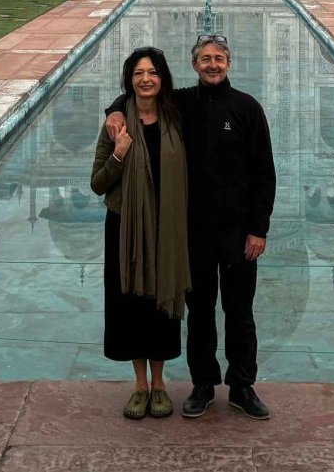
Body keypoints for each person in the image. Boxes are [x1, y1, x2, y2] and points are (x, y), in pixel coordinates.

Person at [105, 33, 276, 420]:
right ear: (194, 65)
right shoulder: (181, 105)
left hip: (238, 232)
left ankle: (242, 385)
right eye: (205, 59)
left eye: (218, 58)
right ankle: (203, 385)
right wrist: (114, 109)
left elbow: (265, 174)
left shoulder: (248, 108)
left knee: (240, 312)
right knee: (198, 313)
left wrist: (259, 229)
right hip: (193, 232)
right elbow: (140, 96)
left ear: (228, 64)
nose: (212, 65)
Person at [90, 47, 191, 421]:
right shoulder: (115, 126)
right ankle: (139, 385)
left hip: (167, 225)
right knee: (129, 302)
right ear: (128, 80)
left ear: (163, 78)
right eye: (138, 73)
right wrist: (117, 153)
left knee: (160, 302)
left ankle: (160, 383)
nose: (145, 79)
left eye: (152, 72)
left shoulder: (178, 115)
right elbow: (97, 183)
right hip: (125, 226)